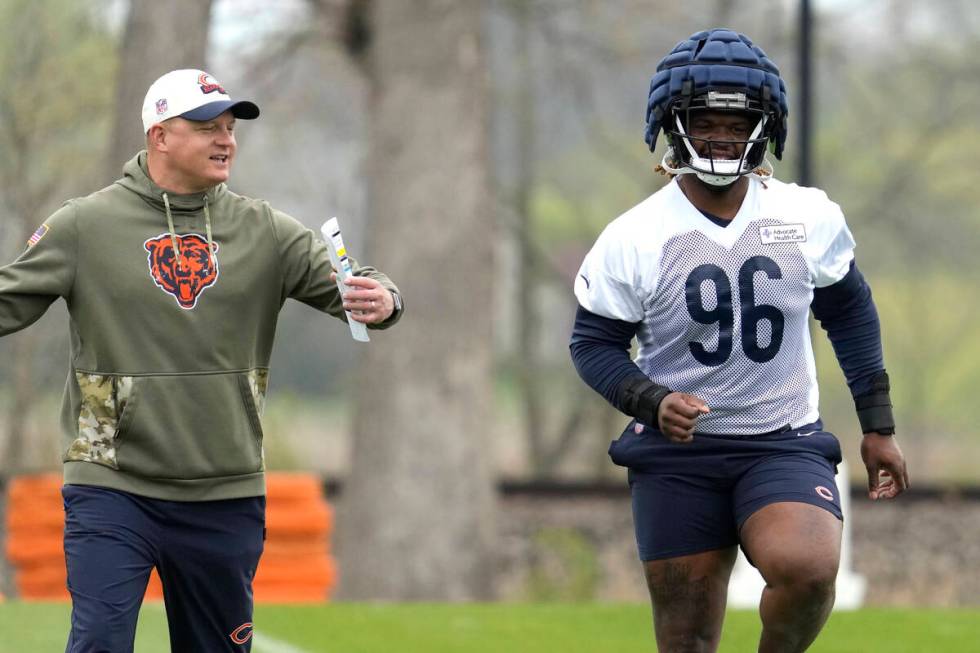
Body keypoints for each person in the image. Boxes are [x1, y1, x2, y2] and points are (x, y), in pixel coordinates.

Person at [0, 68, 403, 652]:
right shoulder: (84, 225)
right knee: (99, 645)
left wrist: (383, 299)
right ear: (159, 136)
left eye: (231, 128)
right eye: (207, 127)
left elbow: (355, 282)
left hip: (225, 492)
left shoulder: (264, 229)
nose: (226, 141)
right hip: (112, 485)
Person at [570, 29, 908, 653]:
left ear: (765, 125)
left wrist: (877, 423)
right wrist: (648, 399)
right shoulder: (634, 235)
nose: (722, 136)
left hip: (781, 440)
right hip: (678, 457)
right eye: (706, 120)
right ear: (674, 125)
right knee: (687, 642)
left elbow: (851, 312)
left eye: (737, 120)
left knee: (807, 575)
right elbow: (591, 345)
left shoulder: (807, 216)